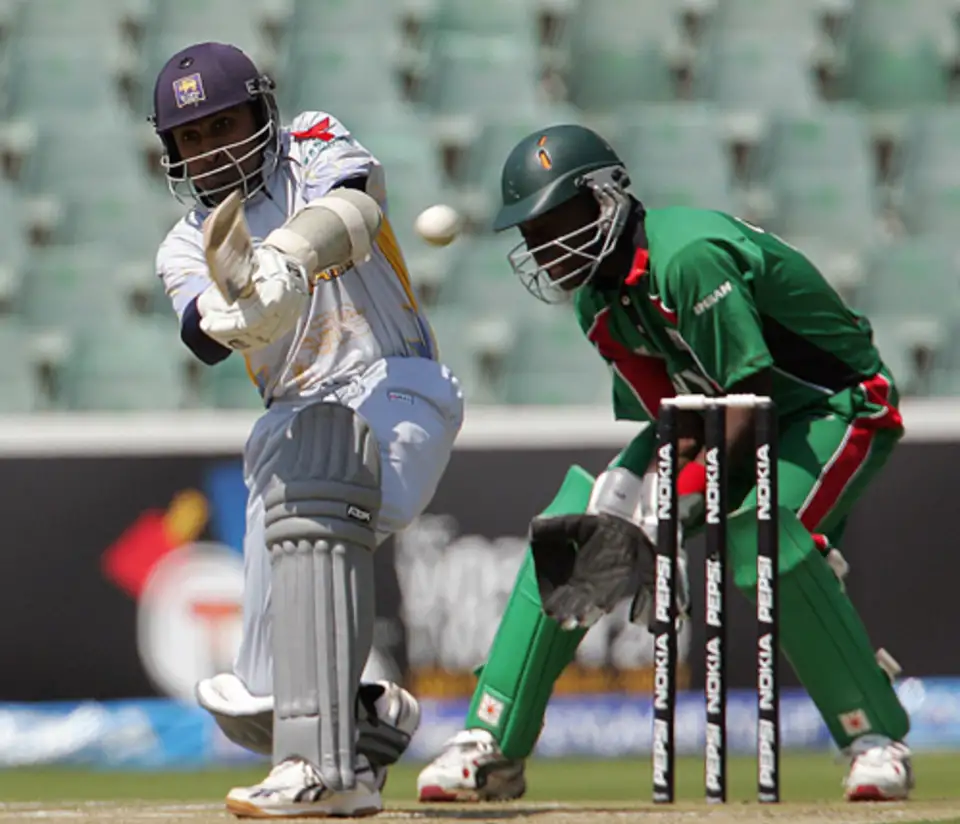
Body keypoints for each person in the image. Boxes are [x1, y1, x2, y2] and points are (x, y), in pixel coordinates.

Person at [416, 123, 913, 804]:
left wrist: (676, 506)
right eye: (532, 231)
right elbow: (675, 416)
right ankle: (490, 743)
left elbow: (751, 393)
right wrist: (641, 505)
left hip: (833, 406)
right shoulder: (598, 301)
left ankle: (875, 739)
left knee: (768, 545)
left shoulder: (687, 257)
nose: (546, 244)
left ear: (606, 197)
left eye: (560, 218)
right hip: (725, 416)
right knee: (583, 529)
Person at [150, 42, 464, 818]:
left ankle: (317, 764)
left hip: (398, 384)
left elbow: (355, 210)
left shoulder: (313, 143)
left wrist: (285, 258)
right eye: (192, 136)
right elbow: (202, 330)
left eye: (226, 122)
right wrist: (238, 309)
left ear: (262, 112)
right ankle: (353, 730)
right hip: (291, 419)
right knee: (254, 695)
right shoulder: (185, 246)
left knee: (331, 499)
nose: (213, 147)